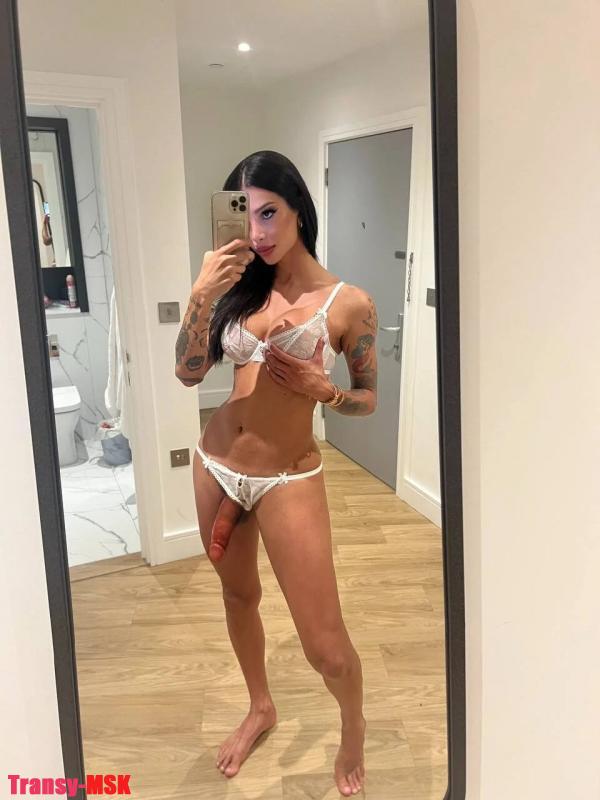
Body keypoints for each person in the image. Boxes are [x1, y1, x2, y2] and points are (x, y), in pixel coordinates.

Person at [175, 150, 378, 797]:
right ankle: (260, 706)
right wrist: (200, 297)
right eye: (246, 215)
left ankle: (353, 725)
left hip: (288, 478)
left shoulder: (348, 304)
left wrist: (328, 391)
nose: (257, 231)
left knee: (326, 648)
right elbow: (187, 373)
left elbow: (368, 398)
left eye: (269, 213)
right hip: (216, 464)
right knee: (239, 597)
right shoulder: (239, 286)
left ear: (298, 211)